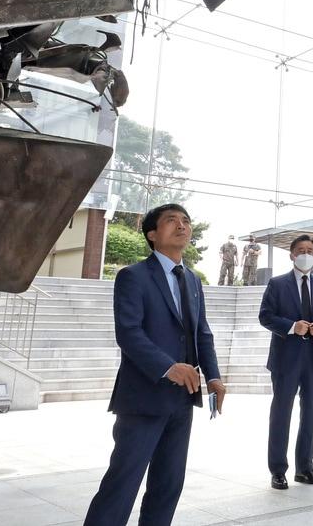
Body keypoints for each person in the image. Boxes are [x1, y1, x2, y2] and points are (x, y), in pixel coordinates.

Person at [82, 204, 225, 526]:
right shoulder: (133, 276)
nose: (182, 225)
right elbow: (128, 333)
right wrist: (168, 366)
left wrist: (213, 377)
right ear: (152, 234)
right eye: (171, 221)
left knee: (168, 483)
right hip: (143, 397)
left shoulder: (192, 280)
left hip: (182, 399)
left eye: (186, 221)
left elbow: (202, 332)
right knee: (123, 482)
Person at [259, 234, 313, 489]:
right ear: (292, 255)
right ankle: (278, 470)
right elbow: (265, 316)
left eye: (310, 250)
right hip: (286, 359)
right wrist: (293, 327)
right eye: (301, 250)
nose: (306, 254)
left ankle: (305, 467)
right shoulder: (277, 284)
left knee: (311, 414)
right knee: (281, 413)